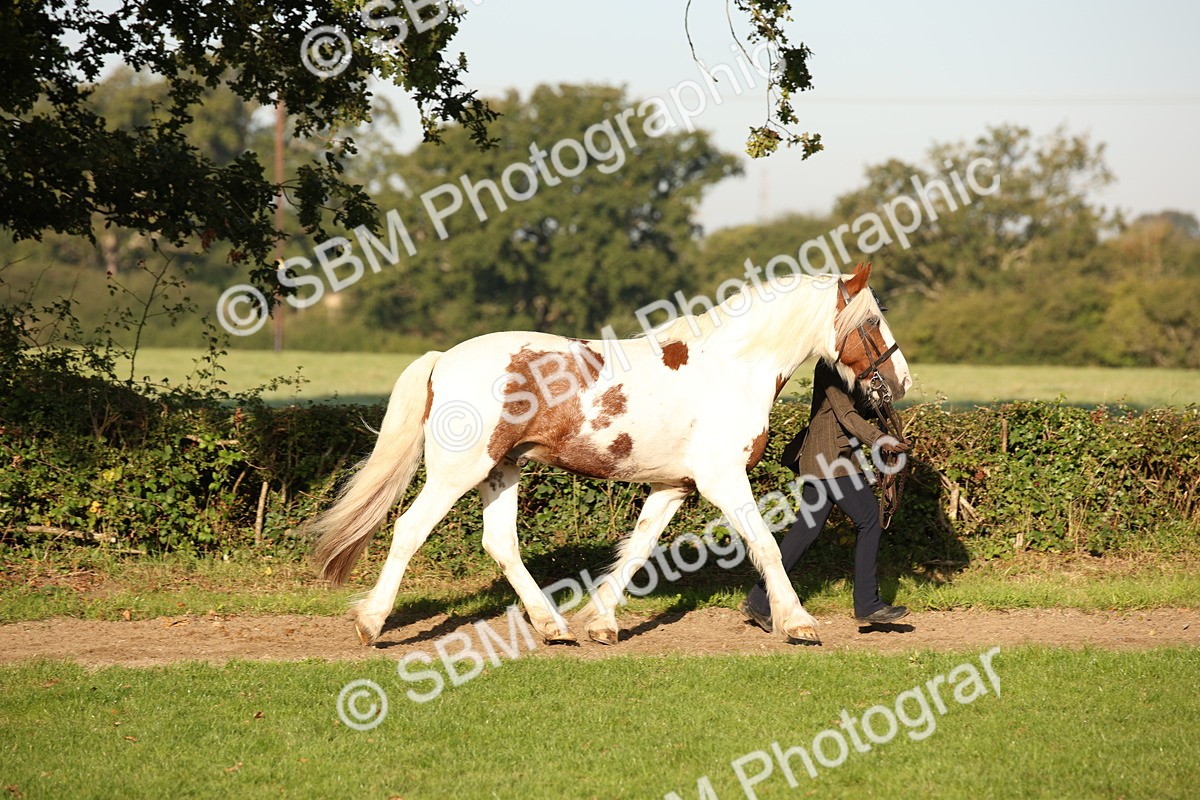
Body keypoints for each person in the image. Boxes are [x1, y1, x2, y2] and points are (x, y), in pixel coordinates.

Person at [740, 359, 911, 634]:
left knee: (806, 531)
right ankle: (867, 603)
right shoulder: (831, 367)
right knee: (869, 519)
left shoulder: (852, 368)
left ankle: (759, 600)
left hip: (822, 459)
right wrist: (880, 439)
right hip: (831, 460)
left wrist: (880, 398)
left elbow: (856, 411)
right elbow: (846, 415)